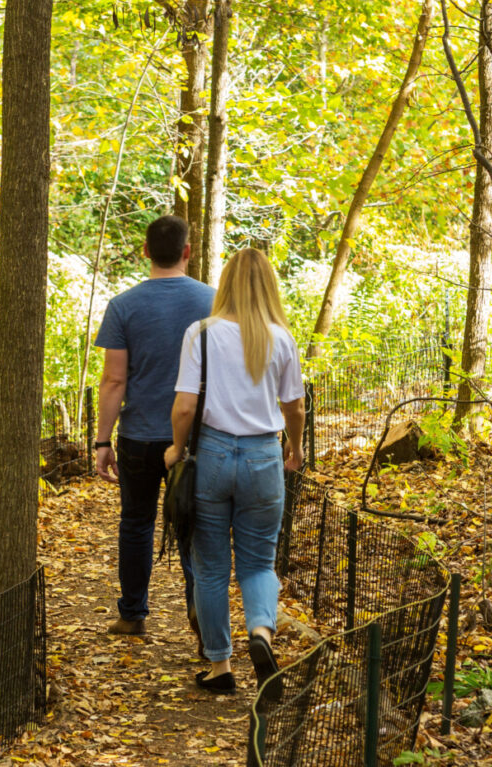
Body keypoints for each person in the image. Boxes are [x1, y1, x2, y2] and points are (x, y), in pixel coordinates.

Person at [165, 247, 305, 694]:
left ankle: (220, 666)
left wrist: (176, 449)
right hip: (265, 456)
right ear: (270, 287)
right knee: (259, 562)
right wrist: (295, 448)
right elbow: (295, 407)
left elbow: (186, 406)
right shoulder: (281, 338)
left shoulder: (200, 334)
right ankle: (261, 632)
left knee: (209, 566)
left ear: (224, 285)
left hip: (212, 456)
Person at [93, 215, 216, 641]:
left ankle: (131, 615)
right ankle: (202, 617)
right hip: (199, 436)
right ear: (187, 252)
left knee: (136, 523)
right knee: (194, 527)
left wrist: (102, 440)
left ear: (145, 251)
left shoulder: (123, 305)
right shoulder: (215, 302)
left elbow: (114, 380)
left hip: (140, 436)